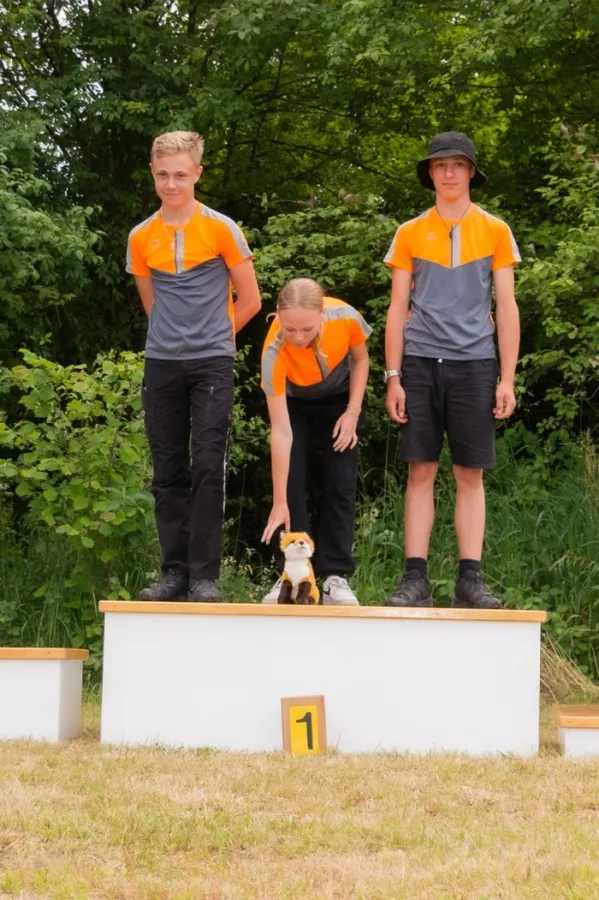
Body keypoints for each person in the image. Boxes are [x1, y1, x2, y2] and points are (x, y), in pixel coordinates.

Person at [383, 131, 520, 609]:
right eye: (440, 165)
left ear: (471, 173)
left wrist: (507, 378)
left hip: (476, 363)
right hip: (419, 362)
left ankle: (470, 580)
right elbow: (397, 308)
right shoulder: (409, 231)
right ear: (430, 173)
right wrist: (393, 376)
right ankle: (414, 579)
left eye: (457, 165)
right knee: (420, 469)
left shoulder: (495, 230)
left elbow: (506, 306)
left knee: (470, 473)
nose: (448, 173)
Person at [126, 130, 261, 602]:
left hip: (211, 364)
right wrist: (174, 340)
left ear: (197, 174)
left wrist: (215, 338)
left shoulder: (222, 228)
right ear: (152, 173)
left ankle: (204, 576)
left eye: (180, 175)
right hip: (162, 363)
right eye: (163, 175)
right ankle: (174, 573)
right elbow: (152, 305)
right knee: (167, 469)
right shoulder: (140, 236)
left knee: (206, 464)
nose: (171, 184)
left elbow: (251, 299)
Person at [260, 278, 371, 605]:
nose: (297, 338)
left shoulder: (345, 317)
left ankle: (336, 576)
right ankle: (293, 575)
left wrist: (352, 413)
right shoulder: (272, 352)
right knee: (290, 484)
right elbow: (281, 432)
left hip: (341, 397)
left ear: (322, 314)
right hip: (294, 402)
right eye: (289, 328)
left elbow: (361, 360)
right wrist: (279, 500)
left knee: (340, 479)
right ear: (278, 315)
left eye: (307, 329)